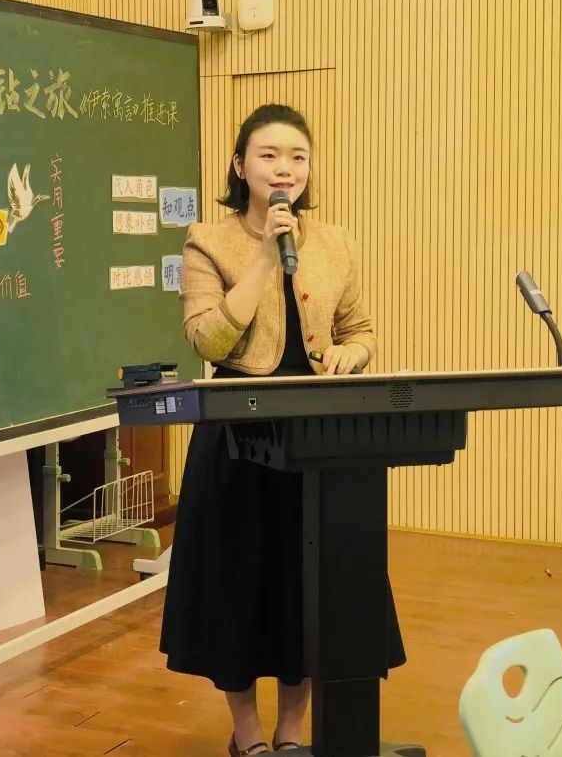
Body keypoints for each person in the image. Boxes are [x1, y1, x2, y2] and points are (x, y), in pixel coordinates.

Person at [159, 103, 406, 756]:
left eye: (297, 157)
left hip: (318, 438)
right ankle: (246, 735)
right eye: (268, 155)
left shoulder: (337, 242)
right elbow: (208, 338)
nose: (284, 169)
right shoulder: (208, 241)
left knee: (310, 585)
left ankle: (292, 733)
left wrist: (353, 353)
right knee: (236, 586)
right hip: (236, 437)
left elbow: (360, 330)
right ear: (240, 166)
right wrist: (266, 258)